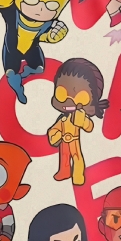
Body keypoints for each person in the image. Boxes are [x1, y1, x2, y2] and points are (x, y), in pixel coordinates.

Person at [47, 58, 109, 186]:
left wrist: (83, 122)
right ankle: (64, 171)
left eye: (81, 97)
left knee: (77, 158)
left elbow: (89, 126)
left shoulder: (79, 115)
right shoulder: (63, 118)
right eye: (61, 94)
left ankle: (78, 176)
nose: (69, 101)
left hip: (74, 140)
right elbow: (55, 128)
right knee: (64, 157)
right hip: (64, 140)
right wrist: (55, 134)